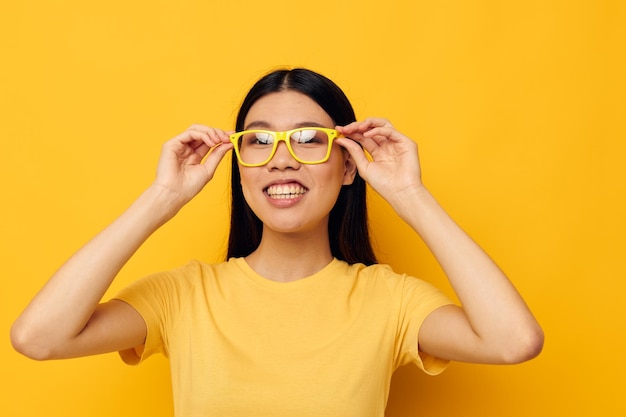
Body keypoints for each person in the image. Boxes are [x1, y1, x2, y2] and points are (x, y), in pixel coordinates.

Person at [11, 68, 543, 416]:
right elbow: (39, 338)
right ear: (239, 165)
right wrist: (162, 198)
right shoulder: (186, 294)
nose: (282, 158)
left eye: (310, 140)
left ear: (349, 166)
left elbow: (513, 342)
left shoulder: (390, 300)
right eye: (259, 140)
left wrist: (410, 195)